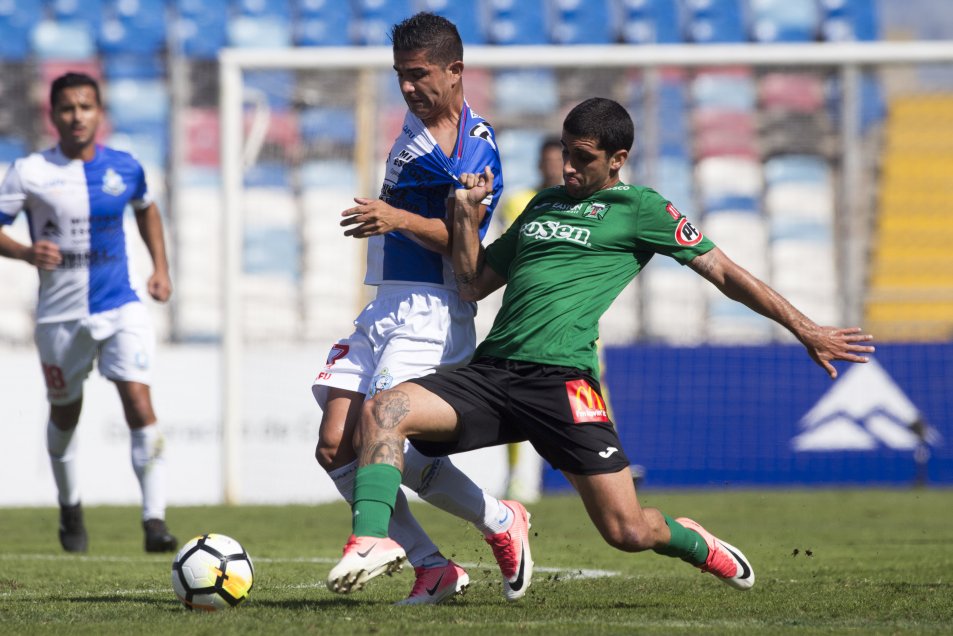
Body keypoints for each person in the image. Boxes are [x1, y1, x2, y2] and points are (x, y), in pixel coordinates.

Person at [328, 97, 876, 597]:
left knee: (628, 531)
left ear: (618, 158)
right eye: (565, 153)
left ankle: (691, 541)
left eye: (582, 158)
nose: (567, 167)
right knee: (385, 409)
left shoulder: (641, 209)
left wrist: (806, 327)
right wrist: (465, 219)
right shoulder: (541, 205)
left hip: (563, 384)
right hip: (492, 375)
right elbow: (473, 283)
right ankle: (374, 541)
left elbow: (725, 273)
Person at [311, 13, 531, 605]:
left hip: (431, 312)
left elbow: (470, 254)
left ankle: (375, 536)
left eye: (417, 76)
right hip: (385, 306)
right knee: (334, 445)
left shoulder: (472, 152)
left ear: (456, 72)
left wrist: (398, 218)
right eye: (400, 76)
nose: (406, 89)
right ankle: (440, 562)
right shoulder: (426, 121)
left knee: (382, 430)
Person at [0, 72, 177, 554]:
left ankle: (154, 520)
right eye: (67, 108)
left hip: (120, 305)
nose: (77, 116)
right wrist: (24, 252)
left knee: (138, 401)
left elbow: (147, 208)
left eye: (85, 107)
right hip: (60, 316)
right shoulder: (29, 171)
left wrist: (160, 268)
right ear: (53, 115)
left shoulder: (124, 166)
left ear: (100, 113)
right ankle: (70, 504)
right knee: (65, 410)